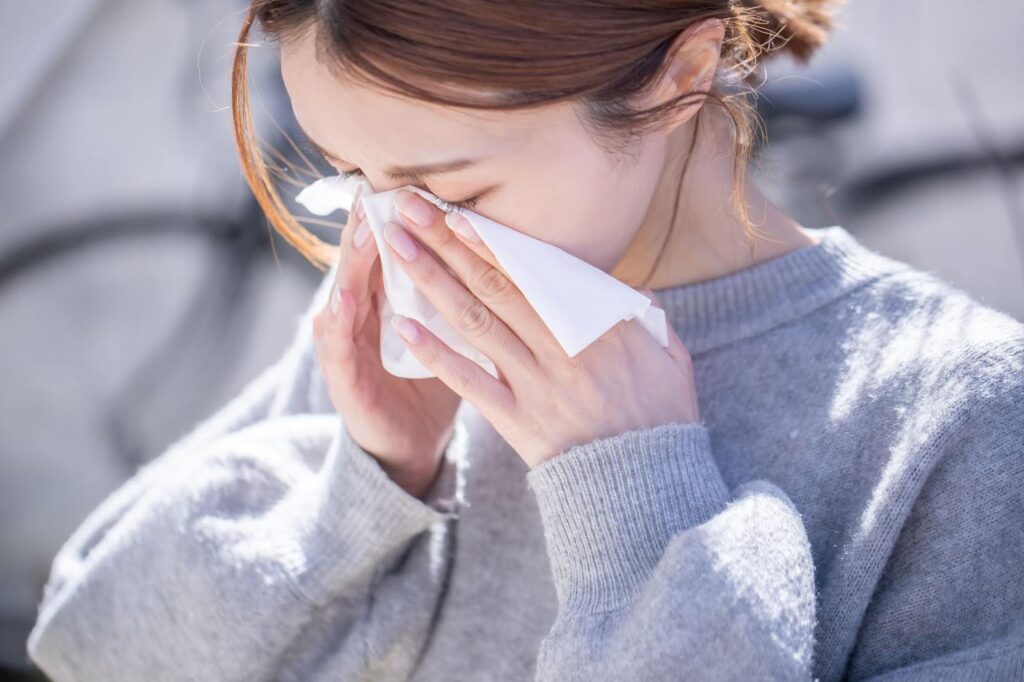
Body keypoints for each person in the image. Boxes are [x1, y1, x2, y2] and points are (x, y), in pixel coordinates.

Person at [26, 0, 1024, 680]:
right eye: (350, 176)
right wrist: (363, 481)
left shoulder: (953, 414)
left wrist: (637, 497)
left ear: (678, 73)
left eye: (451, 189)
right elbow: (89, 644)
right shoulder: (408, 338)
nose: (396, 232)